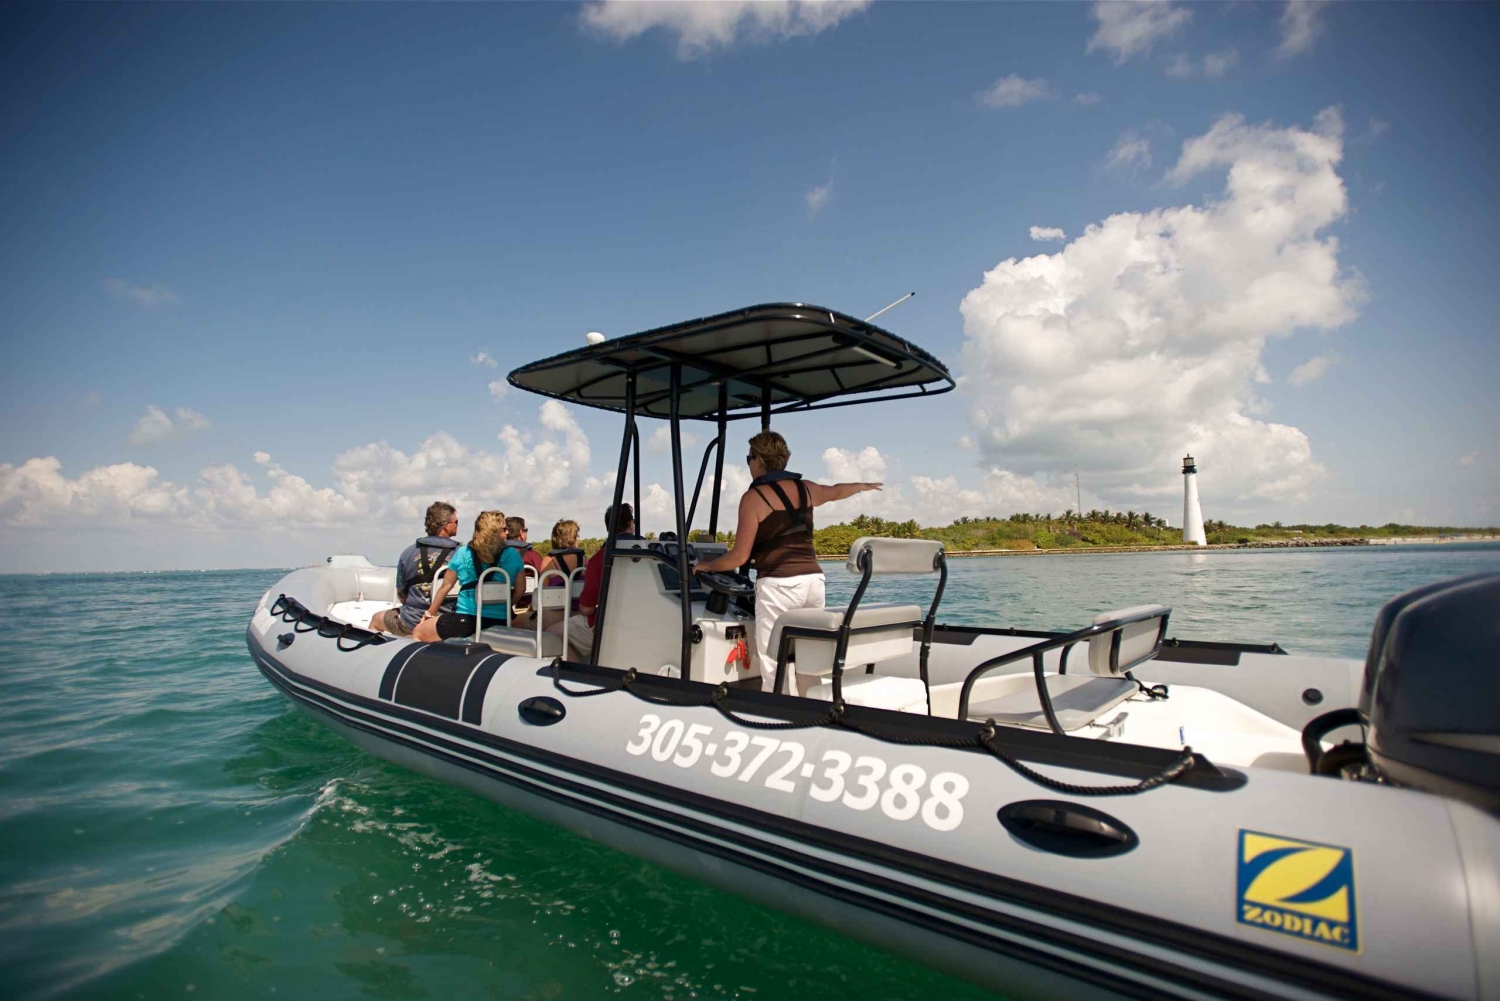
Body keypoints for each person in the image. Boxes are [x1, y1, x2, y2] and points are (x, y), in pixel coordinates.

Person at [693, 430, 881, 695]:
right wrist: (861, 486)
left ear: (758, 459)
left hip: (779, 586)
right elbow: (836, 491)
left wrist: (705, 566)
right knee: (810, 658)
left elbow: (739, 557)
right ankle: (813, 711)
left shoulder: (753, 499)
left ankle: (776, 717)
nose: (749, 464)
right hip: (813, 582)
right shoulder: (806, 489)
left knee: (773, 663)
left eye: (749, 459)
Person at [413, 510, 527, 642]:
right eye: (504, 529)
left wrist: (430, 613)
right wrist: (505, 607)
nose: (507, 532)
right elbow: (520, 590)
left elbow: (446, 586)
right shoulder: (513, 554)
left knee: (418, 632)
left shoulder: (462, 552)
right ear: (494, 531)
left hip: (465, 621)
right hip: (501, 621)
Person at [551, 503, 638, 661]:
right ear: (630, 525)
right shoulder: (649, 554)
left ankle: (578, 675)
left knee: (550, 633)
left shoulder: (599, 559)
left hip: (606, 624)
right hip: (638, 622)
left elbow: (586, 609)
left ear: (608, 528)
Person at [370, 501, 460, 637]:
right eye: (456, 522)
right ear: (446, 526)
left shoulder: (408, 553)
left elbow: (401, 593)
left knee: (376, 619)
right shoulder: (461, 554)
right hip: (444, 623)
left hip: (410, 622)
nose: (457, 525)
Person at [537, 519, 584, 630]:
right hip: (579, 617)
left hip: (554, 618)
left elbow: (541, 595)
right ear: (574, 538)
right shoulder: (586, 560)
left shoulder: (548, 562)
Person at [505, 515, 547, 626]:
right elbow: (544, 579)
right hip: (526, 607)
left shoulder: (498, 555)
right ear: (521, 533)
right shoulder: (533, 556)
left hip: (500, 604)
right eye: (526, 530)